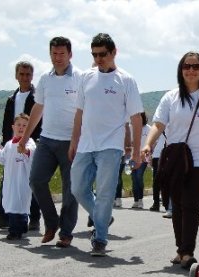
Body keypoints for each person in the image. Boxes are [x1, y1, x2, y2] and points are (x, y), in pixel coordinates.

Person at [142, 51, 199, 269]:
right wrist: (148, 144)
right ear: (181, 70)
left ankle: (187, 252)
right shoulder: (171, 97)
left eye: (196, 66)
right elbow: (158, 124)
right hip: (175, 158)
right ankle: (181, 248)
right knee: (178, 204)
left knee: (190, 201)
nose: (191, 70)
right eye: (187, 66)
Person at [69, 33, 143, 257]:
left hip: (111, 145)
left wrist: (136, 151)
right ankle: (103, 217)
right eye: (94, 54)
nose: (98, 58)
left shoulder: (126, 80)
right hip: (85, 144)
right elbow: (79, 113)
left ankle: (99, 238)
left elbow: (136, 118)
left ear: (114, 52)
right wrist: (74, 141)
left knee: (104, 193)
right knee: (77, 189)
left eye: (103, 54)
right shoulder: (86, 78)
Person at [18, 36, 81, 248]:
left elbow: (86, 111)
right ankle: (51, 222)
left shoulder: (80, 77)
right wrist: (24, 138)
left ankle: (66, 233)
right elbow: (37, 108)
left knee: (69, 190)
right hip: (46, 139)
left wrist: (78, 139)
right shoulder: (46, 78)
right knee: (36, 180)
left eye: (62, 53)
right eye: (54, 53)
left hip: (71, 141)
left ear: (70, 54)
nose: (58, 57)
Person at [0, 61, 43, 231]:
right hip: (11, 146)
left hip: (29, 145)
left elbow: (41, 121)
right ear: (16, 76)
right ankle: (4, 216)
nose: (25, 77)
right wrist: (3, 144)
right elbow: (6, 122)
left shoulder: (37, 98)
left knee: (30, 182)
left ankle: (34, 217)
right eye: (22, 74)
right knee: (8, 181)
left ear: (32, 76)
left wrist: (33, 143)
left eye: (28, 74)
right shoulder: (11, 99)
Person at [0, 113, 36, 240]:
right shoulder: (9, 145)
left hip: (22, 181)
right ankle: (21, 226)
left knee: (19, 203)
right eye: (19, 125)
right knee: (10, 203)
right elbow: (2, 158)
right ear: (13, 127)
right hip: (10, 181)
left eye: (25, 126)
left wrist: (26, 151)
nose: (21, 128)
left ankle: (15, 231)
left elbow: (32, 153)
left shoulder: (29, 142)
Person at [131, 112, 151, 209]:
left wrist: (148, 155)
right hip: (132, 157)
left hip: (143, 157)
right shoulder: (132, 128)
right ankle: (135, 200)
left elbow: (153, 143)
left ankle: (140, 200)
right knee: (134, 178)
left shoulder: (148, 128)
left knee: (139, 176)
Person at [149, 131, 169, 212]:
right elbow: (152, 142)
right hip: (156, 156)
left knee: (166, 181)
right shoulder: (157, 128)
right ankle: (156, 203)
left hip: (166, 155)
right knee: (156, 182)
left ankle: (166, 203)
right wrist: (151, 155)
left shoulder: (169, 126)